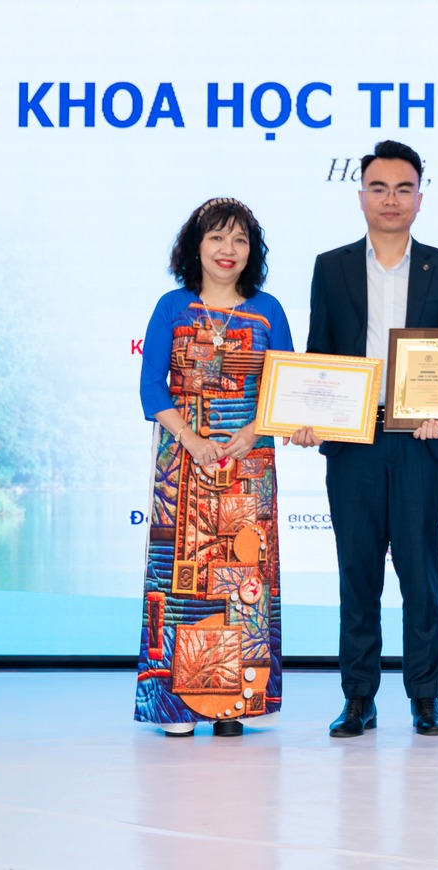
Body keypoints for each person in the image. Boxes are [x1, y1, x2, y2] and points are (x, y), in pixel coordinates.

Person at [300, 141, 438, 738]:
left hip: (420, 441)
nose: (391, 199)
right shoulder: (332, 267)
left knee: (421, 576)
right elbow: (320, 352)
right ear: (361, 197)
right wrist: (310, 413)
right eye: (379, 188)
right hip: (354, 441)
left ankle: (426, 698)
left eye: (403, 189)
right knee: (357, 575)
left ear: (420, 199)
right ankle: (358, 699)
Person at [133, 198, 291, 738]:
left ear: (252, 251)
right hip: (181, 465)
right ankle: (176, 707)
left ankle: (234, 703)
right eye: (217, 238)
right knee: (179, 585)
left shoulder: (269, 311)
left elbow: (286, 389)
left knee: (245, 585)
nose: (229, 249)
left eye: (240, 240)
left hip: (250, 466)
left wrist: (253, 433)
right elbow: (151, 387)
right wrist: (192, 439)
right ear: (195, 246)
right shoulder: (172, 307)